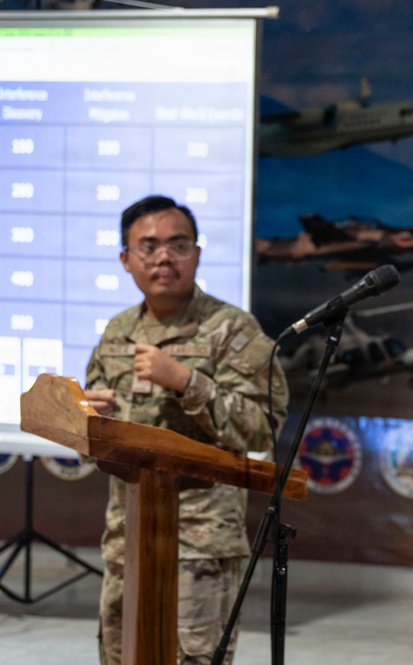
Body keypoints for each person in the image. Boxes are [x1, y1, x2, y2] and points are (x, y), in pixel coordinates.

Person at [84, 195, 289, 665]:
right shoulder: (117, 332)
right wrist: (90, 422)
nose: (163, 258)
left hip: (199, 545)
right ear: (125, 259)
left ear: (196, 254)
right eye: (149, 247)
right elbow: (100, 433)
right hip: (128, 539)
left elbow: (261, 429)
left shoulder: (232, 330)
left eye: (178, 245)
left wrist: (187, 382)